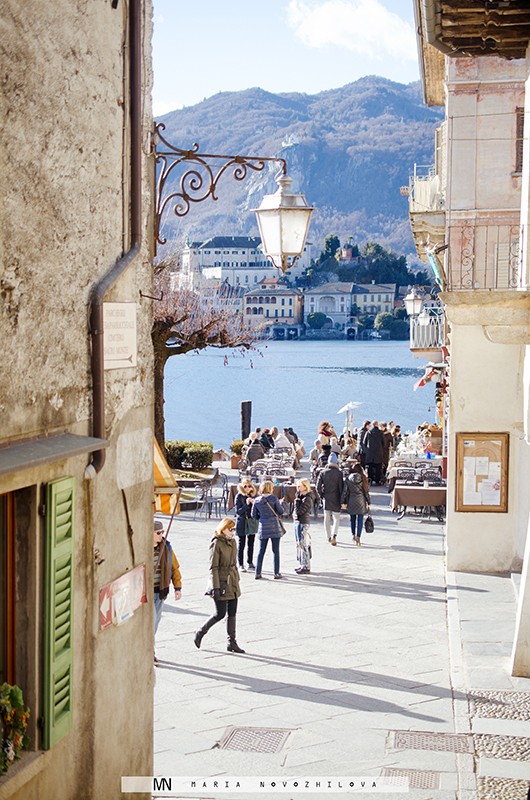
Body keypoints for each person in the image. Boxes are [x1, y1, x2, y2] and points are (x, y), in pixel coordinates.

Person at [194, 517, 245, 654]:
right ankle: (200, 631)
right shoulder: (216, 543)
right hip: (221, 582)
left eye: (234, 529)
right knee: (220, 613)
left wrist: (236, 579)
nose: (232, 532)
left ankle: (232, 642)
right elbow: (214, 567)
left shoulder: (233, 542)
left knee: (232, 613)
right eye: (230, 529)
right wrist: (215, 587)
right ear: (223, 529)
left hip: (232, 581)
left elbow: (234, 564)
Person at [153, 520, 182, 665]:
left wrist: (177, 587)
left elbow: (174, 567)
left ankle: (148, 649)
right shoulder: (141, 548)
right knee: (151, 622)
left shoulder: (166, 547)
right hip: (145, 593)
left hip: (160, 591)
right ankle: (149, 652)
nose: (161, 535)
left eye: (162, 532)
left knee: (155, 623)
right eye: (158, 533)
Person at [251, 480, 285, 579]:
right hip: (274, 526)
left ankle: (258, 572)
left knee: (261, 550)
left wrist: (261, 519)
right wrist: (281, 503)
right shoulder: (274, 499)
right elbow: (281, 511)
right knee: (275, 551)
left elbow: (253, 515)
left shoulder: (257, 500)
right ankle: (276, 573)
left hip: (263, 527)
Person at [316, 452, 344, 545]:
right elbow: (341, 487)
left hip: (326, 498)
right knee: (336, 518)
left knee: (326, 518)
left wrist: (321, 496)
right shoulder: (339, 473)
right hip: (336, 498)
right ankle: (334, 535)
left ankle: (328, 536)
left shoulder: (323, 472)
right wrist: (342, 500)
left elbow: (317, 487)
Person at [342, 463, 371, 546]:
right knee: (360, 519)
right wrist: (368, 502)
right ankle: (358, 537)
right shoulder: (363, 478)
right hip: (361, 500)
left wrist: (342, 502)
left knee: (352, 519)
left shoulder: (348, 478)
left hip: (351, 499)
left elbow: (344, 491)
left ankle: (353, 534)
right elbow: (366, 491)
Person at [234, 479, 257, 571]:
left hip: (251, 521)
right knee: (241, 543)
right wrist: (246, 504)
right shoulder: (239, 496)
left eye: (249, 486)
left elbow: (257, 510)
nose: (247, 488)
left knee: (251, 543)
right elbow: (238, 511)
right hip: (242, 521)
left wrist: (254, 504)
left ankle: (250, 562)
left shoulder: (254, 495)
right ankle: (240, 564)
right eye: (245, 486)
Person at [293, 478, 313, 574]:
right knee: (299, 544)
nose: (297, 489)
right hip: (298, 522)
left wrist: (297, 501)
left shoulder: (307, 498)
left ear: (305, 487)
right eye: (297, 486)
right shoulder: (302, 497)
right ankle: (301, 564)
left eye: (299, 487)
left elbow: (299, 512)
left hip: (302, 522)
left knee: (302, 544)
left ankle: (306, 565)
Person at [364, 420, 385, 485]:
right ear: (377, 425)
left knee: (369, 467)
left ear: (372, 425)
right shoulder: (381, 433)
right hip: (378, 452)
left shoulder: (368, 432)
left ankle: (370, 480)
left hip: (370, 453)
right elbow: (384, 443)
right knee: (378, 467)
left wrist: (368, 449)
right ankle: (377, 481)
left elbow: (364, 442)